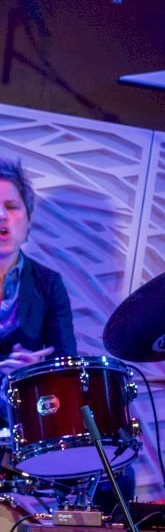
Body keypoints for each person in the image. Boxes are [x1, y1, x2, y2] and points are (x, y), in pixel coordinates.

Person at [0, 158, 77, 391]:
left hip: (21, 409)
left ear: (29, 219)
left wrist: (35, 372)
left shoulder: (49, 283)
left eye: (11, 206)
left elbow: (66, 366)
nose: (1, 215)